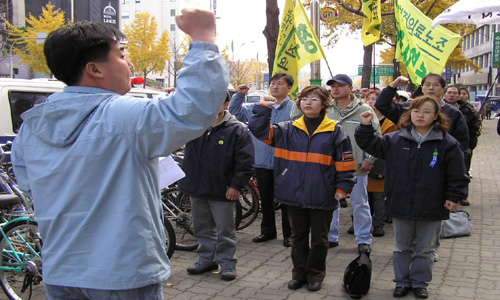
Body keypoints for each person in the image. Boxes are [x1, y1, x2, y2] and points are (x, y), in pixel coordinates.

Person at [11, 10, 229, 299]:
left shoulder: (31, 126)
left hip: (61, 270)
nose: (131, 62)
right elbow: (195, 108)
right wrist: (203, 38)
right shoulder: (123, 116)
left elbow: (29, 184)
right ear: (95, 69)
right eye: (122, 54)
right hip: (121, 275)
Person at [355, 96, 469, 299]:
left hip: (432, 204)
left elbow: (457, 174)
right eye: (416, 111)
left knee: (425, 249)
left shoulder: (446, 143)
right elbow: (371, 144)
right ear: (409, 114)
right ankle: (401, 281)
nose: (420, 115)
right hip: (401, 201)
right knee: (402, 247)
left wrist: (454, 196)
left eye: (426, 112)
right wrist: (365, 126)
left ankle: (419, 282)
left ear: (436, 116)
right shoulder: (396, 139)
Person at [249, 85, 356, 292]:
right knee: (297, 237)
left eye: (314, 99)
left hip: (322, 193)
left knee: (319, 239)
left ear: (324, 104)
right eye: (305, 98)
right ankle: (298, 273)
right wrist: (263, 107)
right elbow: (259, 130)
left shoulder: (335, 131)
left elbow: (345, 163)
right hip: (293, 193)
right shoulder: (286, 129)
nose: (308, 102)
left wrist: (343, 187)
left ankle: (315, 275)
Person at [292, 74, 381, 254]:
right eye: (332, 86)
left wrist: (369, 159)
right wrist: (299, 100)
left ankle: (363, 239)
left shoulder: (364, 109)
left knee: (360, 204)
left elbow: (376, 136)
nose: (335, 89)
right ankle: (331, 237)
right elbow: (297, 119)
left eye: (340, 86)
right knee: (331, 204)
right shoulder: (326, 109)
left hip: (355, 168)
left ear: (350, 88)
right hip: (329, 166)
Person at [178, 93, 254, 281]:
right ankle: (206, 259)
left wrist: (236, 186)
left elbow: (245, 162)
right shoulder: (195, 126)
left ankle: (227, 263)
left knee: (225, 230)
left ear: (226, 104)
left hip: (223, 190)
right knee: (202, 228)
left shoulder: (237, 130)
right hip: (197, 188)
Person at [229, 73, 294, 247]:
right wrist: (239, 95)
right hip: (262, 161)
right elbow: (236, 112)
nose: (275, 86)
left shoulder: (295, 108)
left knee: (287, 200)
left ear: (289, 88)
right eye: (272, 83)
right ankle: (268, 231)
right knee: (265, 198)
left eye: (280, 84)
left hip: (286, 161)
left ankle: (289, 234)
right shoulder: (259, 106)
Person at [375, 74, 470, 157]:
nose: (431, 88)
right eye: (427, 84)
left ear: (443, 89)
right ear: (422, 88)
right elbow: (381, 104)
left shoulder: (453, 113)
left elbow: (462, 143)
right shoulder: (408, 108)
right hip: (407, 158)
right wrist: (393, 85)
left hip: (439, 163)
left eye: (436, 85)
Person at [364, 89, 397, 237]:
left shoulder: (391, 121)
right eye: (369, 99)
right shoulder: (364, 118)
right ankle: (362, 222)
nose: (371, 102)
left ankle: (378, 223)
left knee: (378, 196)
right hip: (363, 160)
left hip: (382, 161)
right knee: (363, 195)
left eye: (374, 99)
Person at [443, 85, 481, 205]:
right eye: (449, 92)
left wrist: (470, 146)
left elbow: (474, 130)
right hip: (445, 145)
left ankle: (463, 195)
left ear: (459, 96)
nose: (451, 95)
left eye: (454, 93)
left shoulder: (467, 110)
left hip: (462, 145)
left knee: (463, 170)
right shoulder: (440, 108)